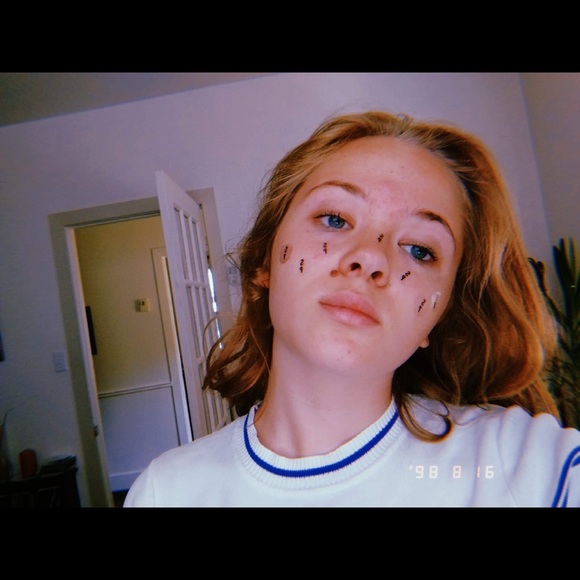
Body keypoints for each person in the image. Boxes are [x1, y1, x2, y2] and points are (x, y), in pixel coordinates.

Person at [124, 110, 580, 507]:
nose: (371, 257)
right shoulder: (168, 492)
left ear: (437, 316)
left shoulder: (527, 464)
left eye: (420, 250)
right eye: (335, 219)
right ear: (264, 262)